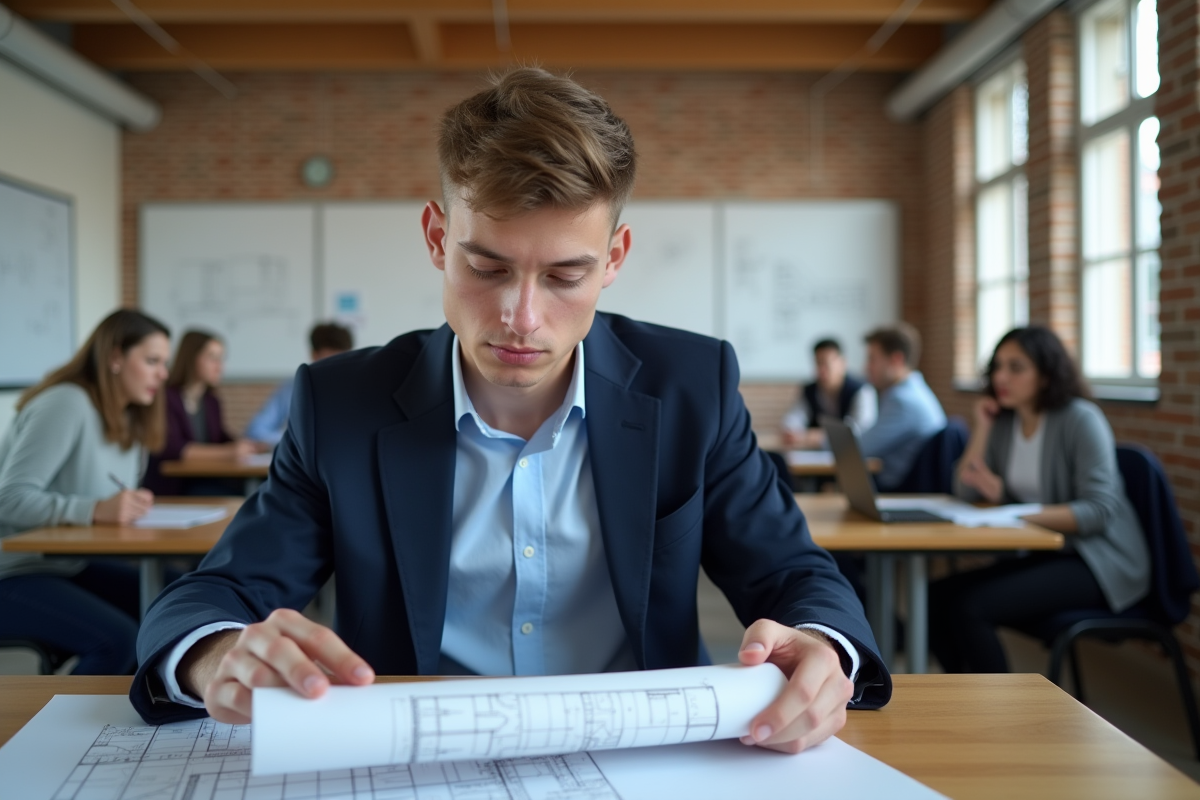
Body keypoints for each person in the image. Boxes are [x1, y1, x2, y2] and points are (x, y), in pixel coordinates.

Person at [132, 68, 891, 753]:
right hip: (419, 758)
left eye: (566, 275)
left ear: (615, 260)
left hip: (646, 758)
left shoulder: (691, 385)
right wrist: (211, 655)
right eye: (487, 267)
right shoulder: (342, 404)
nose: (522, 318)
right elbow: (218, 594)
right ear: (437, 237)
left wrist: (823, 648)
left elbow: (795, 573)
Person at [929, 326, 1151, 673]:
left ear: (1046, 375)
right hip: (1049, 552)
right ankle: (963, 699)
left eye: (1016, 368)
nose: (1001, 377)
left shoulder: (1079, 419)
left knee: (970, 607)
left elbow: (1099, 511)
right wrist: (983, 427)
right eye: (997, 367)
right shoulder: (1005, 422)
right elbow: (964, 489)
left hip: (1097, 561)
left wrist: (1015, 511)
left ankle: (995, 720)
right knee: (935, 597)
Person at [0, 309, 170, 674]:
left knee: (173, 596)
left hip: (65, 564)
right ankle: (64, 729)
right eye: (153, 360)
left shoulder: (128, 417)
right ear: (114, 358)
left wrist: (127, 506)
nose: (163, 374)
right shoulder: (66, 403)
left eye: (165, 363)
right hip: (12, 571)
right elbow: (9, 499)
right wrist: (94, 510)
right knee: (119, 639)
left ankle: (136, 716)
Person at [143, 330, 260, 495]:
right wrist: (230, 452)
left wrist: (248, 445)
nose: (219, 366)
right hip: (175, 486)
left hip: (206, 478)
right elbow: (174, 449)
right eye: (212, 358)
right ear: (192, 358)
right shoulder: (165, 398)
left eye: (221, 359)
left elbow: (220, 437)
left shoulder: (211, 401)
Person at [857, 323, 946, 490]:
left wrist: (819, 440)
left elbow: (861, 448)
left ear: (896, 359)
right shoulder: (909, 391)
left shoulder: (903, 400)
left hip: (904, 492)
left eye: (872, 359)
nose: (866, 367)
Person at [244, 323, 354, 448]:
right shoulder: (291, 388)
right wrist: (295, 438)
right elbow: (255, 432)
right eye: (330, 361)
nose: (337, 368)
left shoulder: (357, 391)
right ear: (314, 355)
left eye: (344, 360)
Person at [780, 338, 876, 450]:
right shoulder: (810, 390)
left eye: (826, 364)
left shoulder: (862, 390)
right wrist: (792, 430)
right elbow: (794, 417)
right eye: (818, 363)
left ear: (842, 363)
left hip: (852, 454)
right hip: (816, 454)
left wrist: (820, 436)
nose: (822, 370)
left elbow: (862, 428)